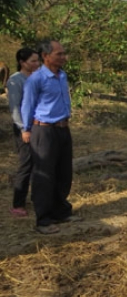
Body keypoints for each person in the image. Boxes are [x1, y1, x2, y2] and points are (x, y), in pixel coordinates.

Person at [21, 39, 81, 234]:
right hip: (44, 130)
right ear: (46, 56)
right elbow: (27, 106)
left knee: (63, 172)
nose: (64, 57)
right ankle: (43, 219)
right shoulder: (36, 79)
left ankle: (60, 211)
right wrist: (26, 130)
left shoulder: (62, 76)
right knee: (44, 175)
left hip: (63, 129)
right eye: (59, 54)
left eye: (64, 53)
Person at [7, 47, 40, 217]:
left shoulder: (37, 78)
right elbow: (15, 107)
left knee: (40, 163)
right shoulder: (15, 80)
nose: (36, 64)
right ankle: (17, 203)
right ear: (22, 62)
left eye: (37, 60)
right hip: (24, 128)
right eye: (33, 61)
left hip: (39, 126)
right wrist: (23, 128)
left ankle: (36, 197)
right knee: (26, 164)